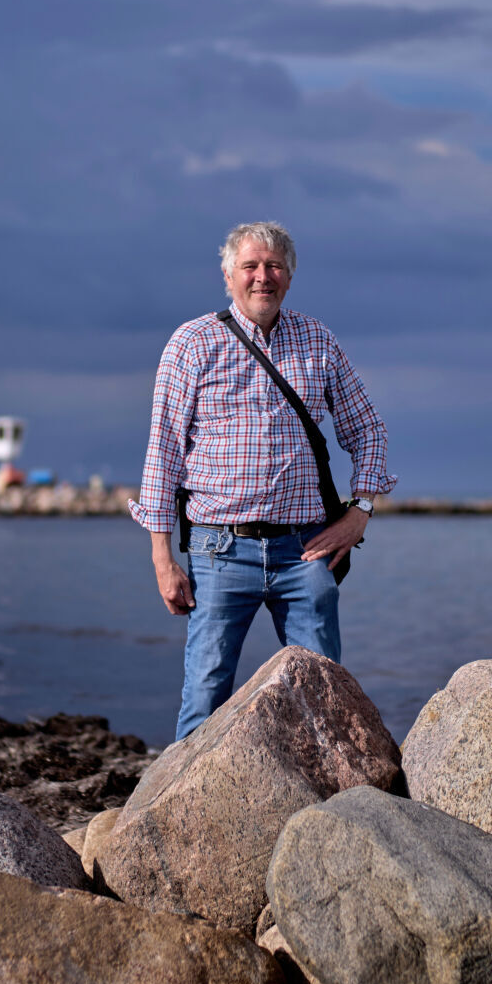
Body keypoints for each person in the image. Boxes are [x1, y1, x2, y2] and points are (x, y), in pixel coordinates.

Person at [129, 221, 396, 741]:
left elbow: (369, 430)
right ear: (228, 275)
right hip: (218, 549)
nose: (262, 277)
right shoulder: (192, 342)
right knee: (206, 695)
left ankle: (335, 813)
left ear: (289, 277)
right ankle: (177, 815)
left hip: (306, 553)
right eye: (250, 266)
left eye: (274, 266)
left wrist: (358, 513)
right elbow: (162, 453)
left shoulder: (317, 341)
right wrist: (163, 559)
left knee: (326, 698)